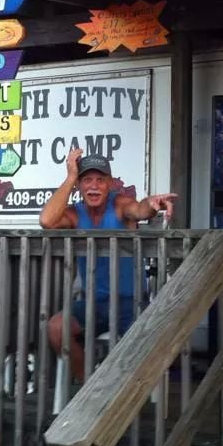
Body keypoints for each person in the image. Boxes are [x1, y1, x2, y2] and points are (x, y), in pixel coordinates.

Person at [39, 148, 177, 381]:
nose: (94, 186)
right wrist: (70, 177)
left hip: (131, 303)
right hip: (95, 303)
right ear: (80, 186)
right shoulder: (74, 213)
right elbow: (47, 220)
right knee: (55, 327)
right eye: (87, 180)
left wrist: (152, 204)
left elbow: (140, 209)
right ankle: (88, 387)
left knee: (140, 348)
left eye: (100, 180)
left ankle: (125, 398)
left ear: (110, 184)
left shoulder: (120, 204)